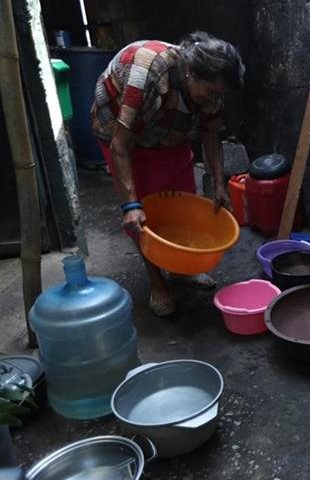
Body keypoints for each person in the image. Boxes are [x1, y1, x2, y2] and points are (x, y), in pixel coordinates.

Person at [91, 31, 245, 316]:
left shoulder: (210, 90)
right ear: (190, 73)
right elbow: (120, 144)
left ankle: (180, 270)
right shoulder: (146, 72)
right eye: (211, 92)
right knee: (143, 214)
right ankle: (157, 283)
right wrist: (130, 204)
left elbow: (211, 135)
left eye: (219, 94)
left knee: (183, 198)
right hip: (122, 131)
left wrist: (220, 185)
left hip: (169, 132)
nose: (214, 98)